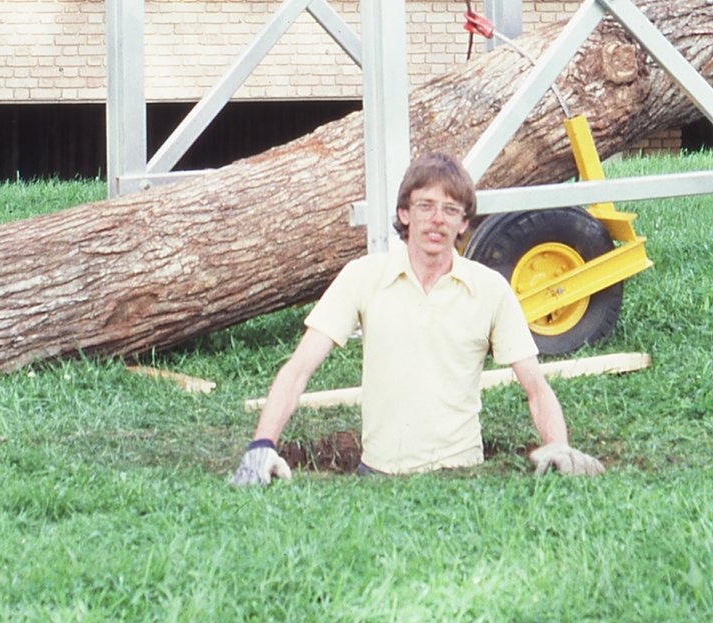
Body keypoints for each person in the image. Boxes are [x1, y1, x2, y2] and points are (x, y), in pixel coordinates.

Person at [230, 152, 605, 483]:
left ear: (463, 223)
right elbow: (298, 370)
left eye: (451, 209)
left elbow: (536, 388)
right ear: (404, 214)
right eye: (425, 206)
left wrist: (558, 447)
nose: (437, 220)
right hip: (378, 475)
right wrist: (261, 446)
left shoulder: (490, 289)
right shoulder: (363, 276)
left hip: (463, 477)